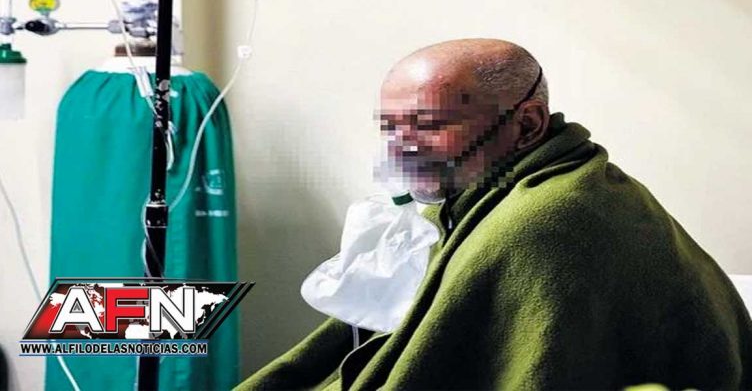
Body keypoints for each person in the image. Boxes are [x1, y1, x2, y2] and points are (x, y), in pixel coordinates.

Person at [236, 38, 752, 390]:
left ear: (526, 125)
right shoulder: (488, 195)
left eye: (428, 125)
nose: (400, 149)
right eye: (390, 128)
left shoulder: (544, 221)